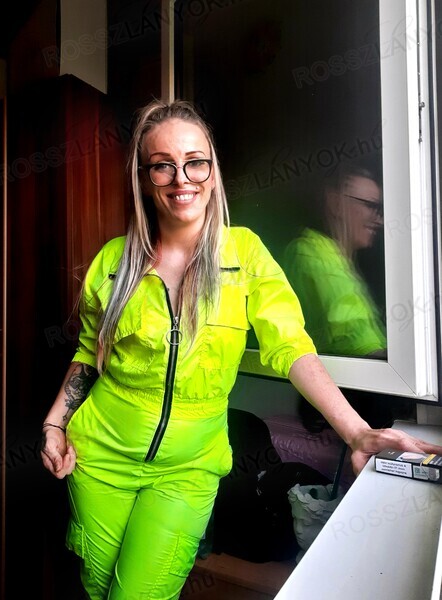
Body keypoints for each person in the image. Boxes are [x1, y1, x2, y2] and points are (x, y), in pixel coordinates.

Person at [41, 100, 442, 600]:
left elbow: (290, 346)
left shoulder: (245, 253)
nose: (181, 178)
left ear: (212, 173)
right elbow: (88, 351)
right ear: (144, 179)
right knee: (99, 589)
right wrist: (55, 423)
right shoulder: (111, 261)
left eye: (195, 162)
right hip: (98, 458)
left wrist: (356, 431)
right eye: (163, 165)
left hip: (186, 472)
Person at [283, 164, 386, 359]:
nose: (379, 220)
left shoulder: (340, 259)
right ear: (336, 203)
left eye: (379, 209)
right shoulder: (311, 251)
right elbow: (352, 332)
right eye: (370, 206)